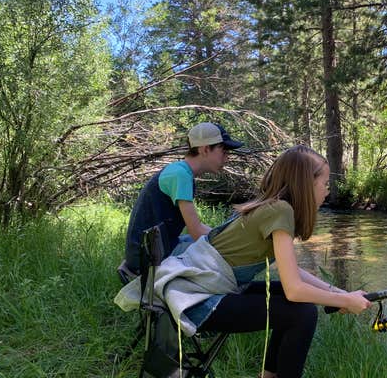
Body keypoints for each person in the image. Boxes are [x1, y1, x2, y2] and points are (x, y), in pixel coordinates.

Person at [194, 145, 371, 378]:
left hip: (210, 289)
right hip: (199, 300)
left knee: (298, 306)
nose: (327, 191)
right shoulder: (280, 210)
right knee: (302, 313)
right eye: (324, 183)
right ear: (306, 184)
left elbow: (293, 273)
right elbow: (295, 289)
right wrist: (343, 299)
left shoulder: (272, 206)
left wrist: (341, 294)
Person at [118, 121, 244, 279]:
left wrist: (222, 235)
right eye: (224, 151)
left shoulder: (180, 171)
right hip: (149, 257)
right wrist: (234, 243)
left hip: (150, 250)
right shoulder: (181, 175)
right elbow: (196, 230)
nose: (227, 157)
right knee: (218, 254)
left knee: (207, 243)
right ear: (205, 149)